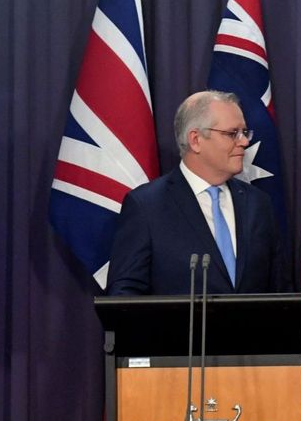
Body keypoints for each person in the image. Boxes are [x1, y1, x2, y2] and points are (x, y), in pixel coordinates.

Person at [106, 90, 288, 295]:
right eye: (232, 133)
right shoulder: (147, 206)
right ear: (195, 140)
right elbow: (124, 296)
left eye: (245, 132)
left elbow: (280, 291)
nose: (244, 142)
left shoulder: (258, 204)